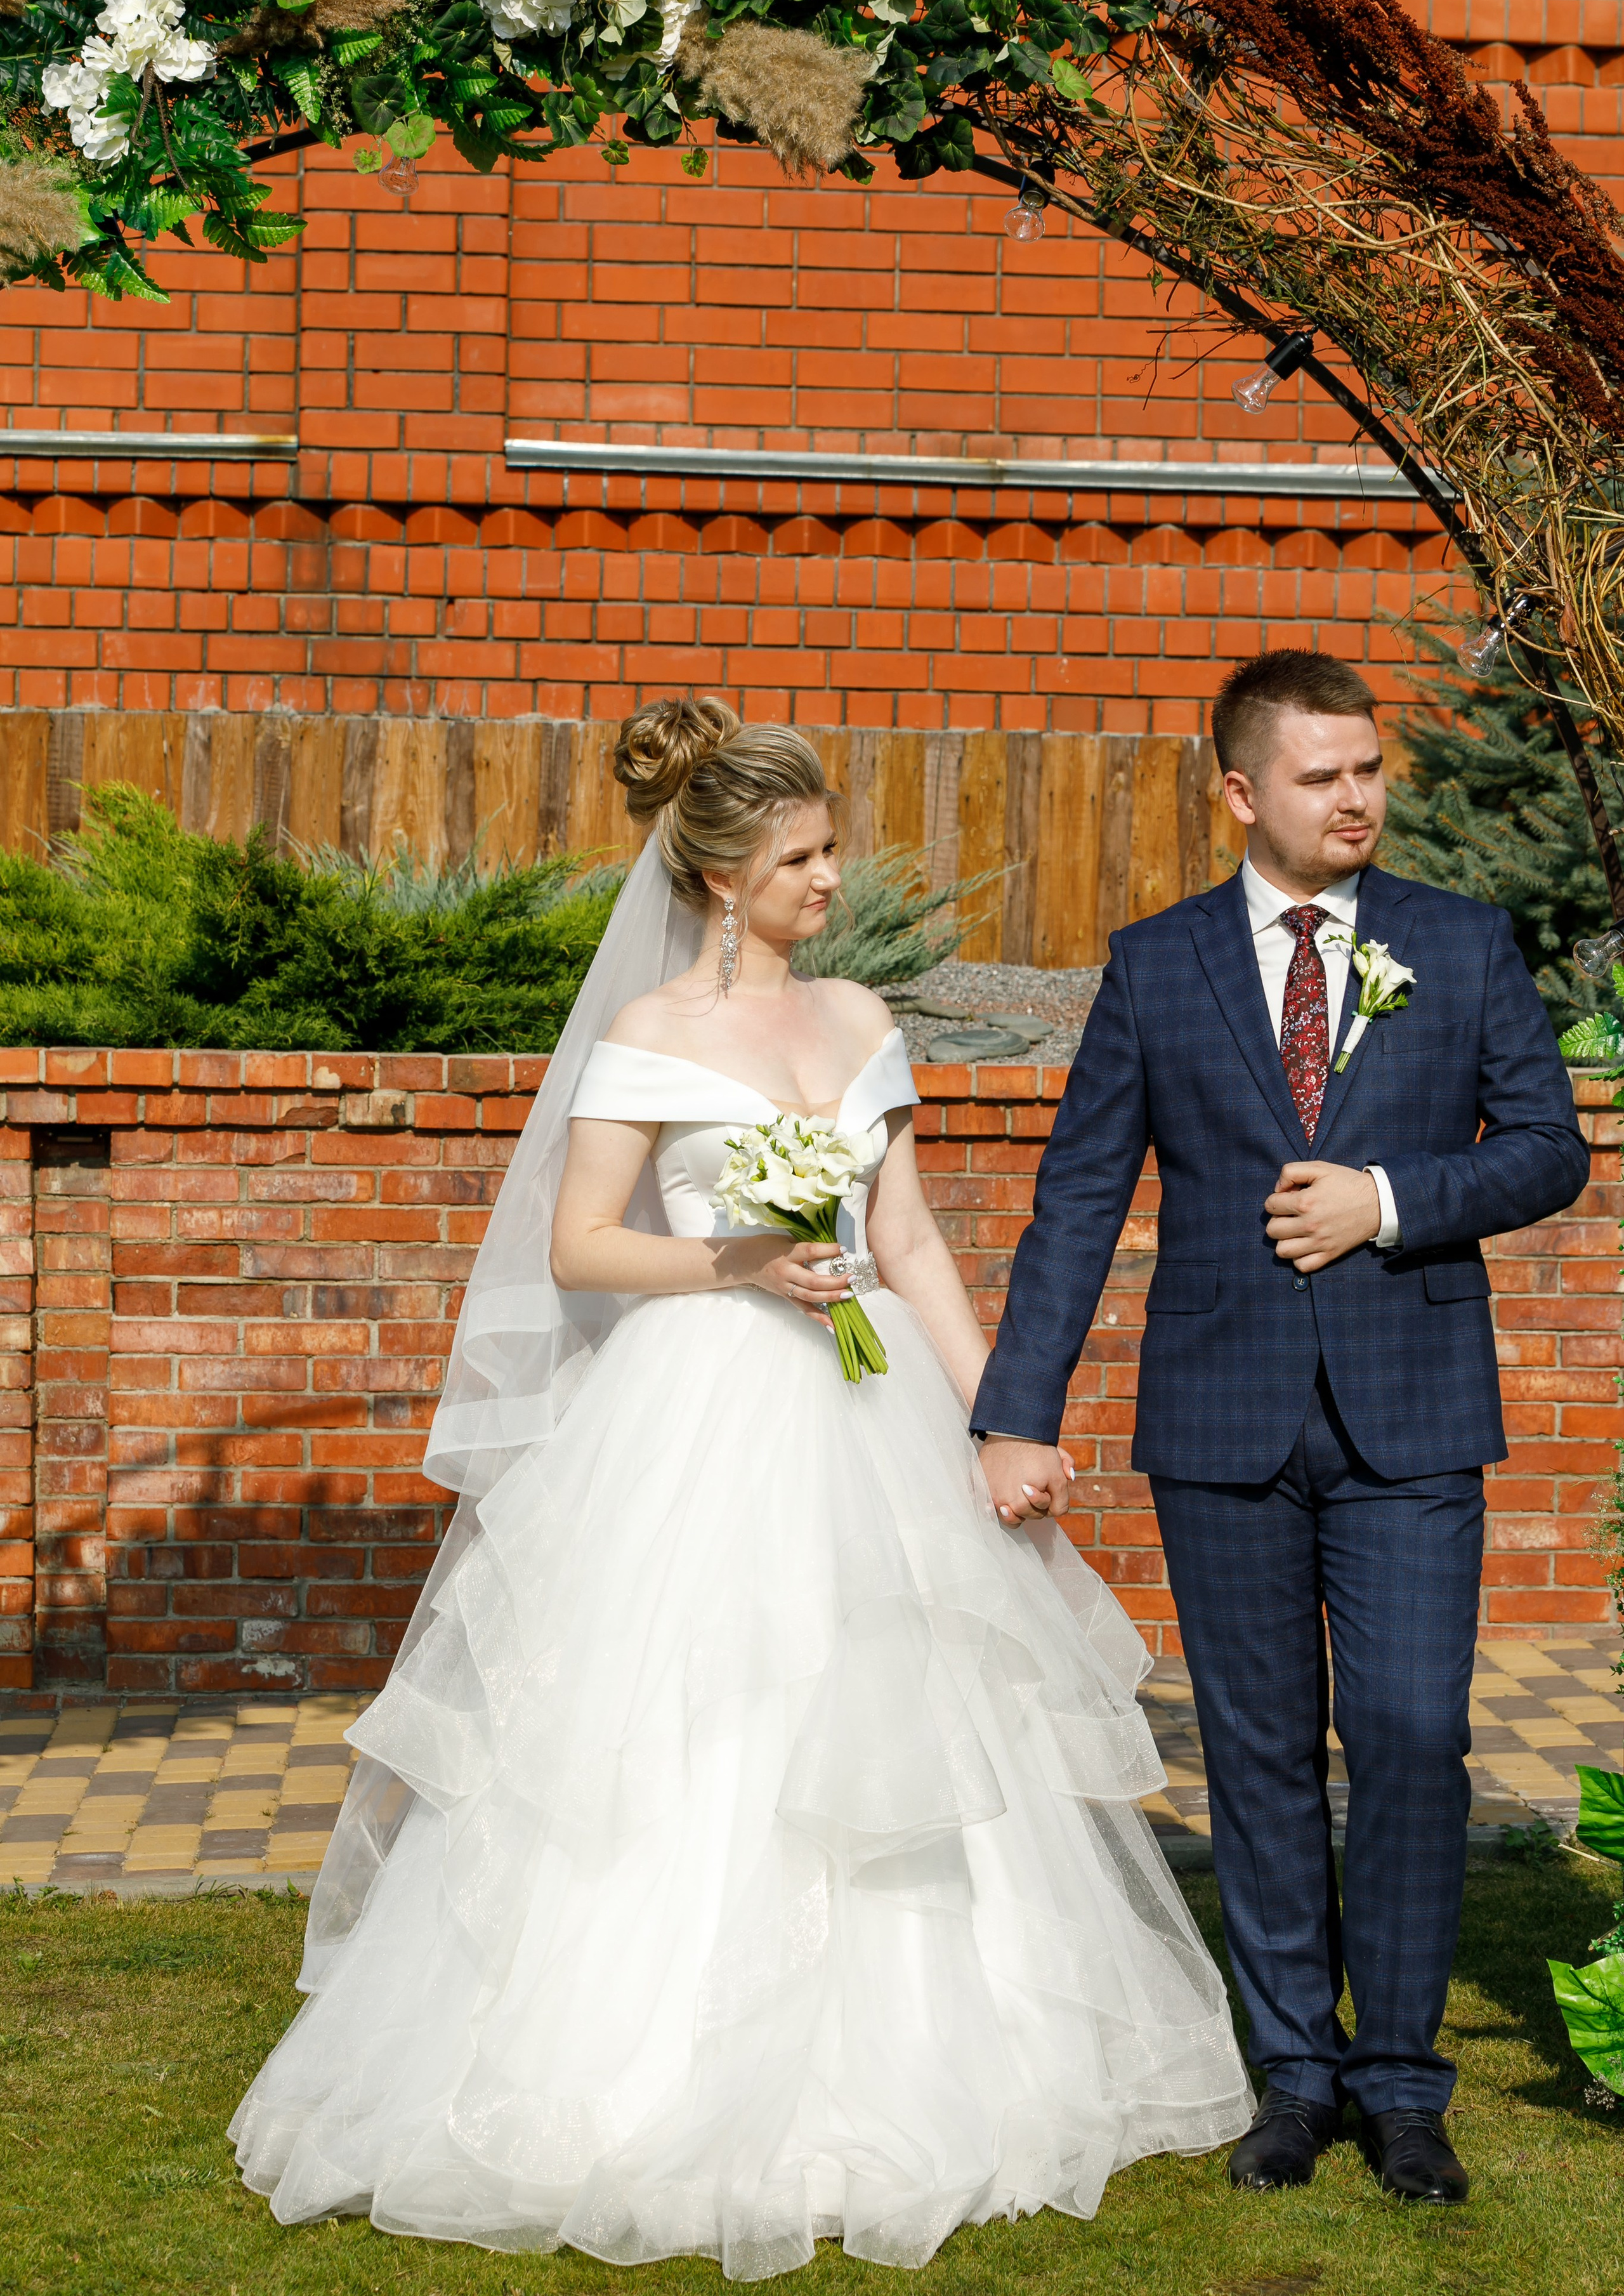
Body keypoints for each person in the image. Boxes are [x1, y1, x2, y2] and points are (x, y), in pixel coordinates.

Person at [230, 699, 1252, 2278]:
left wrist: (1002, 1418)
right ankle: (631, 2071)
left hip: (863, 1397)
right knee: (692, 1716)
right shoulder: (648, 1038)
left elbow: (906, 1242)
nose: (830, 880)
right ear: (721, 878)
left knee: (893, 1703)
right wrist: (737, 1259)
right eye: (801, 856)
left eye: (829, 849)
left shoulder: (853, 1019)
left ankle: (925, 2060)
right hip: (699, 1404)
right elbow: (581, 1245)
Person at [972, 650, 1590, 2208]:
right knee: (1254, 1759)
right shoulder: (1155, 962)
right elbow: (1076, 1199)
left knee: (1404, 1736)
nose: (1357, 798)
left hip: (1411, 1412)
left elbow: (1542, 1151)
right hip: (1219, 1417)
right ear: (1240, 793)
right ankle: (1293, 2078)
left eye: (1368, 768)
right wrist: (1013, 1415)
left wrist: (1386, 1198)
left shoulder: (1456, 945)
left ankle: (1401, 2083)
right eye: (1321, 776)